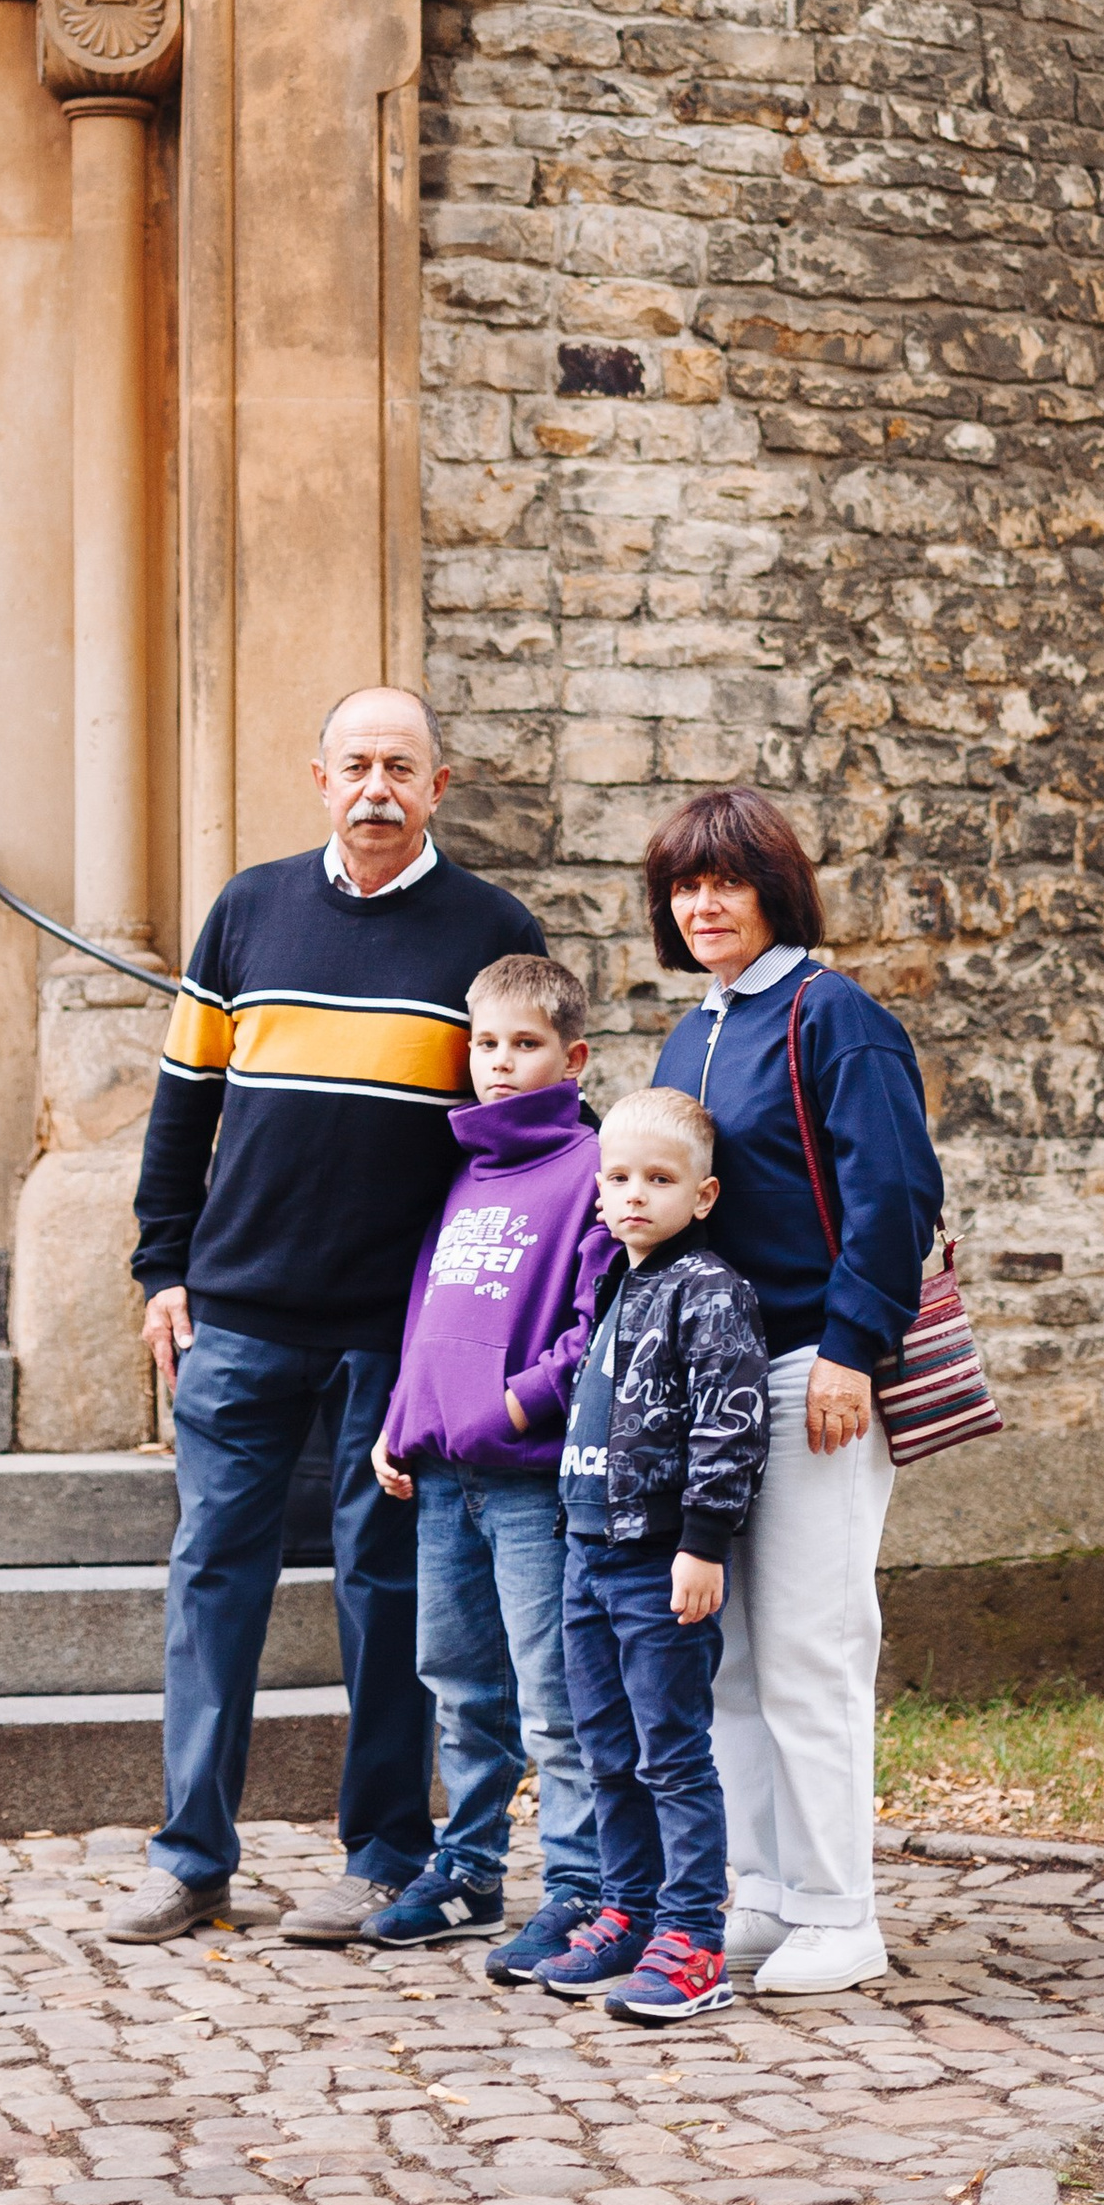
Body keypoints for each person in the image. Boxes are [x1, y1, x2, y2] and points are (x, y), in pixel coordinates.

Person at [112, 686, 542, 1946]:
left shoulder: (488, 929)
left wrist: (486, 1309)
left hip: (397, 1334)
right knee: (211, 1581)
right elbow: (182, 1104)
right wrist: (160, 1268)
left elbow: (517, 1130)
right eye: (354, 764)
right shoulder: (246, 910)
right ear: (317, 777)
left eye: (400, 768)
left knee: (388, 1590)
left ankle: (383, 1855)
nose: (376, 789)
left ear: (437, 787)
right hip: (237, 1315)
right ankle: (191, 1856)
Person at [646, 786, 942, 1998]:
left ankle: (841, 1911)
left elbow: (896, 1198)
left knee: (813, 1648)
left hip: (807, 1375)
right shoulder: (690, 1034)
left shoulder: (837, 1019)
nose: (704, 903)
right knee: (728, 1658)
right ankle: (764, 1893)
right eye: (684, 884)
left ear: (776, 887)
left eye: (727, 880)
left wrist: (848, 1349)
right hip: (709, 1384)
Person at [365, 952, 608, 1975]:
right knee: (459, 1684)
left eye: (524, 1045)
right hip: (442, 1477)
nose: (499, 1066)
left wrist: (517, 1402)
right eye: (486, 1045)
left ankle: (580, 1887)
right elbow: (429, 1311)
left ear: (572, 1056)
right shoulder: (467, 1169)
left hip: (530, 1481)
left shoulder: (593, 1167)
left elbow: (599, 1326)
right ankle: (466, 1870)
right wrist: (398, 1419)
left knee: (550, 1695)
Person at [533, 1085, 770, 2025]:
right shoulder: (615, 1283)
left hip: (657, 1557)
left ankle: (692, 1938)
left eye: (659, 1180)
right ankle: (627, 1910)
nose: (635, 1195)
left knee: (671, 1753)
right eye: (619, 1177)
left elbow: (730, 1424)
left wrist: (703, 1543)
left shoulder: (712, 1294)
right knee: (605, 1750)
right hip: (584, 1551)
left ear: (702, 1197)